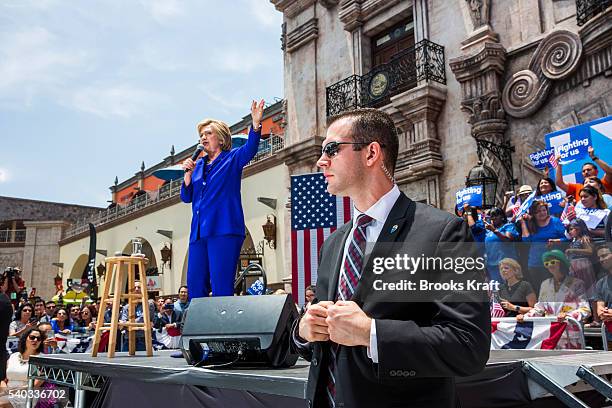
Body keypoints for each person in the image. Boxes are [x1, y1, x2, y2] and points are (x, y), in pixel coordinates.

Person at [294, 108, 490, 408]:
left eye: (331, 149)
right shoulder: (332, 244)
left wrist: (372, 333)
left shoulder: (444, 232)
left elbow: (468, 346)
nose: (321, 161)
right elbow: (328, 347)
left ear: (372, 153)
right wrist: (306, 332)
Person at [180, 100, 265, 298]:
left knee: (221, 285)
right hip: (198, 233)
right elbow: (186, 197)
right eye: (201, 135)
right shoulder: (198, 166)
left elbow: (250, 149)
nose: (203, 137)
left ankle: (222, 327)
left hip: (224, 229)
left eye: (208, 133)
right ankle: (200, 328)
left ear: (221, 138)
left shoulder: (232, 158)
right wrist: (187, 177)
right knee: (195, 284)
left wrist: (255, 124)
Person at [518, 250, 591, 349]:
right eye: (546, 263)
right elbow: (539, 309)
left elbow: (585, 309)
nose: (549, 265)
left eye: (553, 262)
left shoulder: (577, 283)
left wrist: (568, 316)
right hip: (550, 334)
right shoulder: (545, 284)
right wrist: (525, 317)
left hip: (571, 335)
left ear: (561, 263)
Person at [519, 200, 568, 294]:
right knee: (541, 292)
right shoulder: (531, 223)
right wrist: (522, 223)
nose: (541, 213)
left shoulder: (555, 221)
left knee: (558, 291)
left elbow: (567, 239)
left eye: (543, 210)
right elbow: (526, 241)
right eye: (537, 212)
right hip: (535, 264)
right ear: (533, 213)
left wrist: (556, 241)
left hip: (554, 263)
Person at [467, 206, 519, 283]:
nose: (494, 218)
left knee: (510, 290)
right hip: (492, 267)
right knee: (497, 292)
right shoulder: (487, 231)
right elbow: (473, 227)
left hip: (507, 265)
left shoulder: (508, 226)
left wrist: (494, 230)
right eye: (492, 216)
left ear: (502, 216)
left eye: (496, 215)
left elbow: (507, 240)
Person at [0, 327, 45, 408]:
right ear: (25, 339)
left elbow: (35, 385)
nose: (35, 340)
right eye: (32, 337)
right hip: (7, 392)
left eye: (38, 339)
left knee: (1, 404)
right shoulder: (13, 356)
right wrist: (4, 390)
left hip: (26, 394)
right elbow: (4, 379)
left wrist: (11, 392)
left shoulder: (41, 359)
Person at [594, 245, 612, 347]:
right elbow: (599, 308)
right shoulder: (601, 283)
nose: (601, 260)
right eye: (599, 257)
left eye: (604, 255)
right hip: (609, 336)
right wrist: (602, 313)